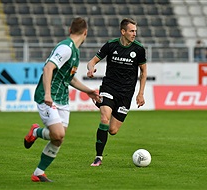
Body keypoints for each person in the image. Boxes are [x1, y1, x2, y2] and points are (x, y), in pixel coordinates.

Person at [23, 17, 100, 182]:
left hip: (63, 99)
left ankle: (38, 173)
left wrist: (89, 91)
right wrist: (48, 94)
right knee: (57, 134)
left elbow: (69, 79)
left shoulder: (75, 51)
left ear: (70, 30)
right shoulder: (66, 48)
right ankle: (36, 132)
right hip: (48, 97)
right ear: (85, 33)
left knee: (59, 137)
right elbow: (48, 67)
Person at [86, 18, 147, 167]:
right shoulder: (111, 45)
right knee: (104, 119)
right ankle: (98, 157)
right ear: (123, 31)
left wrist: (140, 93)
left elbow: (143, 72)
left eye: (135, 31)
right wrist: (90, 68)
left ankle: (103, 105)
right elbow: (92, 61)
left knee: (112, 130)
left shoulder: (138, 49)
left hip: (126, 93)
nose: (134, 34)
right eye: (132, 31)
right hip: (109, 88)